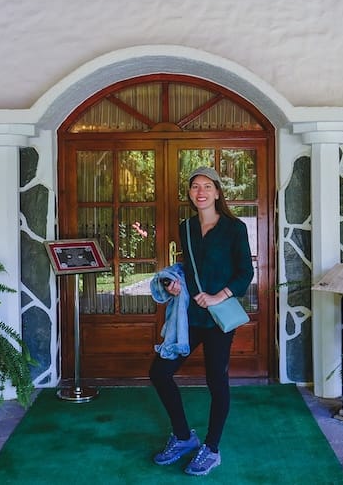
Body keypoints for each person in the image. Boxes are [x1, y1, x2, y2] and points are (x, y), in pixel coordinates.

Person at [149, 166, 254, 476]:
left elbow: (245, 273)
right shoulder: (187, 227)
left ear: (218, 192)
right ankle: (183, 437)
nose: (201, 191)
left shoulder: (235, 229)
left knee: (216, 381)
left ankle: (211, 448)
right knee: (160, 372)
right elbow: (190, 267)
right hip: (190, 316)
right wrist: (177, 283)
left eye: (207, 186)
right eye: (195, 186)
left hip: (219, 319)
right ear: (191, 194)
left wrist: (218, 296)